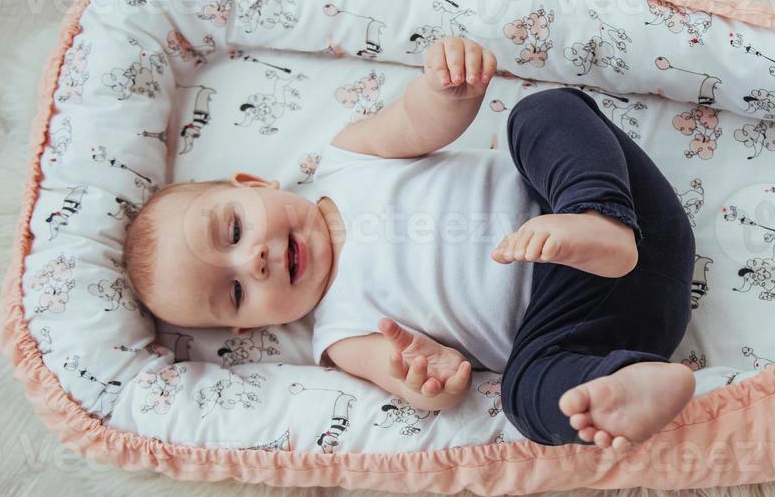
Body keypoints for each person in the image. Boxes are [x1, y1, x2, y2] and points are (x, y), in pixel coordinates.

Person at [125, 36, 696, 451]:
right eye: (235, 292)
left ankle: (595, 215)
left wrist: (445, 88)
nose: (254, 260)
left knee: (542, 113)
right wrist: (432, 375)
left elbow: (421, 122)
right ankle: (624, 388)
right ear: (248, 329)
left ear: (253, 184)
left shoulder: (346, 161)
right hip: (579, 327)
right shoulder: (340, 337)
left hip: (618, 221)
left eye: (233, 230)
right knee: (524, 396)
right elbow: (421, 387)